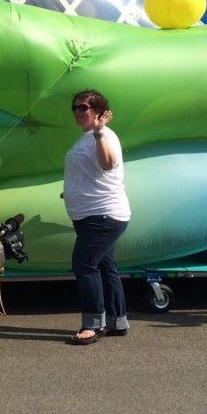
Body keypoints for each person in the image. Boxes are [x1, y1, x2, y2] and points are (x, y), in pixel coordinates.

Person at [62, 90, 132, 344]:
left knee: (84, 264)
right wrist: (71, 191)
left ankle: (93, 324)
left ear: (99, 112)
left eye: (84, 107)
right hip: (90, 214)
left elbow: (107, 163)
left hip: (103, 215)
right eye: (75, 107)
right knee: (105, 266)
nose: (78, 112)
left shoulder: (104, 136)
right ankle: (117, 321)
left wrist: (101, 131)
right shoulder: (85, 138)